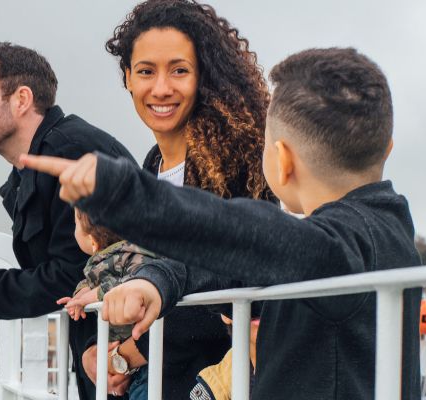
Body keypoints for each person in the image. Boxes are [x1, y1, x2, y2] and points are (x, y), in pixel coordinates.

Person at [23, 47, 422, 400]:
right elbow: (230, 266)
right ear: (386, 146)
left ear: (281, 161)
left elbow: (248, 236)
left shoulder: (339, 245)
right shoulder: (387, 235)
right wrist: (157, 282)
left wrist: (121, 191)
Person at [77, 0, 278, 397]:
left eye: (179, 70)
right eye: (146, 71)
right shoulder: (149, 166)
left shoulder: (241, 161)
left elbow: (239, 280)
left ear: (203, 76)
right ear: (128, 78)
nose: (161, 88)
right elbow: (124, 268)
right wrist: (97, 348)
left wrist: (134, 352)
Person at [0, 41, 135, 398]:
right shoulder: (40, 164)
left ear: (21, 100)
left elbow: (72, 276)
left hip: (136, 369)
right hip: (109, 366)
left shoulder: (71, 154)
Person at [58, 209, 164, 398]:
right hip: (134, 349)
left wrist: (89, 297)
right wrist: (79, 296)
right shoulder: (114, 257)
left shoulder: (130, 256)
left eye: (75, 225)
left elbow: (129, 285)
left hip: (146, 355)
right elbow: (88, 282)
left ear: (92, 241)